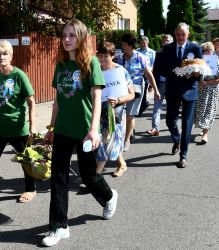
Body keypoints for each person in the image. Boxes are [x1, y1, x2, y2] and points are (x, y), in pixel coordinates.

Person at [41, 19, 118, 247]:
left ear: (82, 38)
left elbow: (97, 97)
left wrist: (93, 130)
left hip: (85, 132)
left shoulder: (91, 63)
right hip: (63, 129)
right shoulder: (61, 65)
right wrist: (51, 128)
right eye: (64, 35)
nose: (66, 39)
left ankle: (109, 196)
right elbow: (57, 101)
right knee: (58, 177)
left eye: (72, 35)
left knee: (89, 176)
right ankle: (59, 226)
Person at [0, 40, 37, 203]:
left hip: (18, 128)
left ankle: (30, 189)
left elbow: (31, 101)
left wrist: (32, 126)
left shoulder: (19, 75)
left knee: (26, 161)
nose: (2, 57)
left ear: (11, 56)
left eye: (5, 53)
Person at [161, 22, 202, 168]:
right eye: (178, 34)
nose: (180, 37)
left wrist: (195, 74)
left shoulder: (195, 48)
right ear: (174, 34)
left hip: (190, 91)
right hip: (172, 90)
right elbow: (162, 68)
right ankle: (176, 139)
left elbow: (201, 68)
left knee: (187, 123)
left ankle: (183, 155)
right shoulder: (167, 48)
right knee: (169, 121)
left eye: (183, 34)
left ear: (188, 34)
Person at [96, 42, 135, 177]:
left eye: (105, 56)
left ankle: (96, 175)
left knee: (106, 142)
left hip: (116, 112)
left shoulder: (121, 71)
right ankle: (122, 164)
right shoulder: (96, 71)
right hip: (99, 112)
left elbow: (132, 94)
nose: (102, 59)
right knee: (111, 140)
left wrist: (118, 100)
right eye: (100, 56)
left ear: (112, 56)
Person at [118, 33, 160, 152]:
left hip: (136, 89)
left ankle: (126, 139)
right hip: (122, 89)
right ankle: (127, 133)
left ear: (131, 46)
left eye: (124, 45)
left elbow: (148, 74)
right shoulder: (120, 58)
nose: (122, 47)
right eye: (122, 44)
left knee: (130, 115)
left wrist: (155, 89)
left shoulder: (140, 57)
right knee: (120, 115)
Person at [194, 42, 219, 143]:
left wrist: (206, 82)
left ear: (211, 51)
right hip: (201, 91)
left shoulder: (215, 62)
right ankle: (203, 129)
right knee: (200, 111)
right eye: (202, 51)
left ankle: (205, 134)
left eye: (206, 51)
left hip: (212, 91)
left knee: (209, 112)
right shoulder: (200, 62)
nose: (204, 53)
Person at [147, 34, 173, 136]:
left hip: (172, 84)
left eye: (168, 40)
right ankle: (155, 128)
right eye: (165, 41)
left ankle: (172, 127)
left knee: (171, 107)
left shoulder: (176, 53)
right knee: (156, 107)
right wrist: (151, 83)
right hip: (160, 84)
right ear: (162, 43)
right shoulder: (158, 53)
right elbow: (155, 68)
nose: (166, 42)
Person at [136, 36, 156, 115]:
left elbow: (153, 64)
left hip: (147, 73)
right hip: (138, 73)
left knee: (143, 91)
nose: (143, 44)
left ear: (147, 43)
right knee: (139, 91)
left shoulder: (152, 52)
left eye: (145, 43)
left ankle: (141, 108)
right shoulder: (137, 51)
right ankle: (144, 104)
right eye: (142, 43)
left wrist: (152, 76)